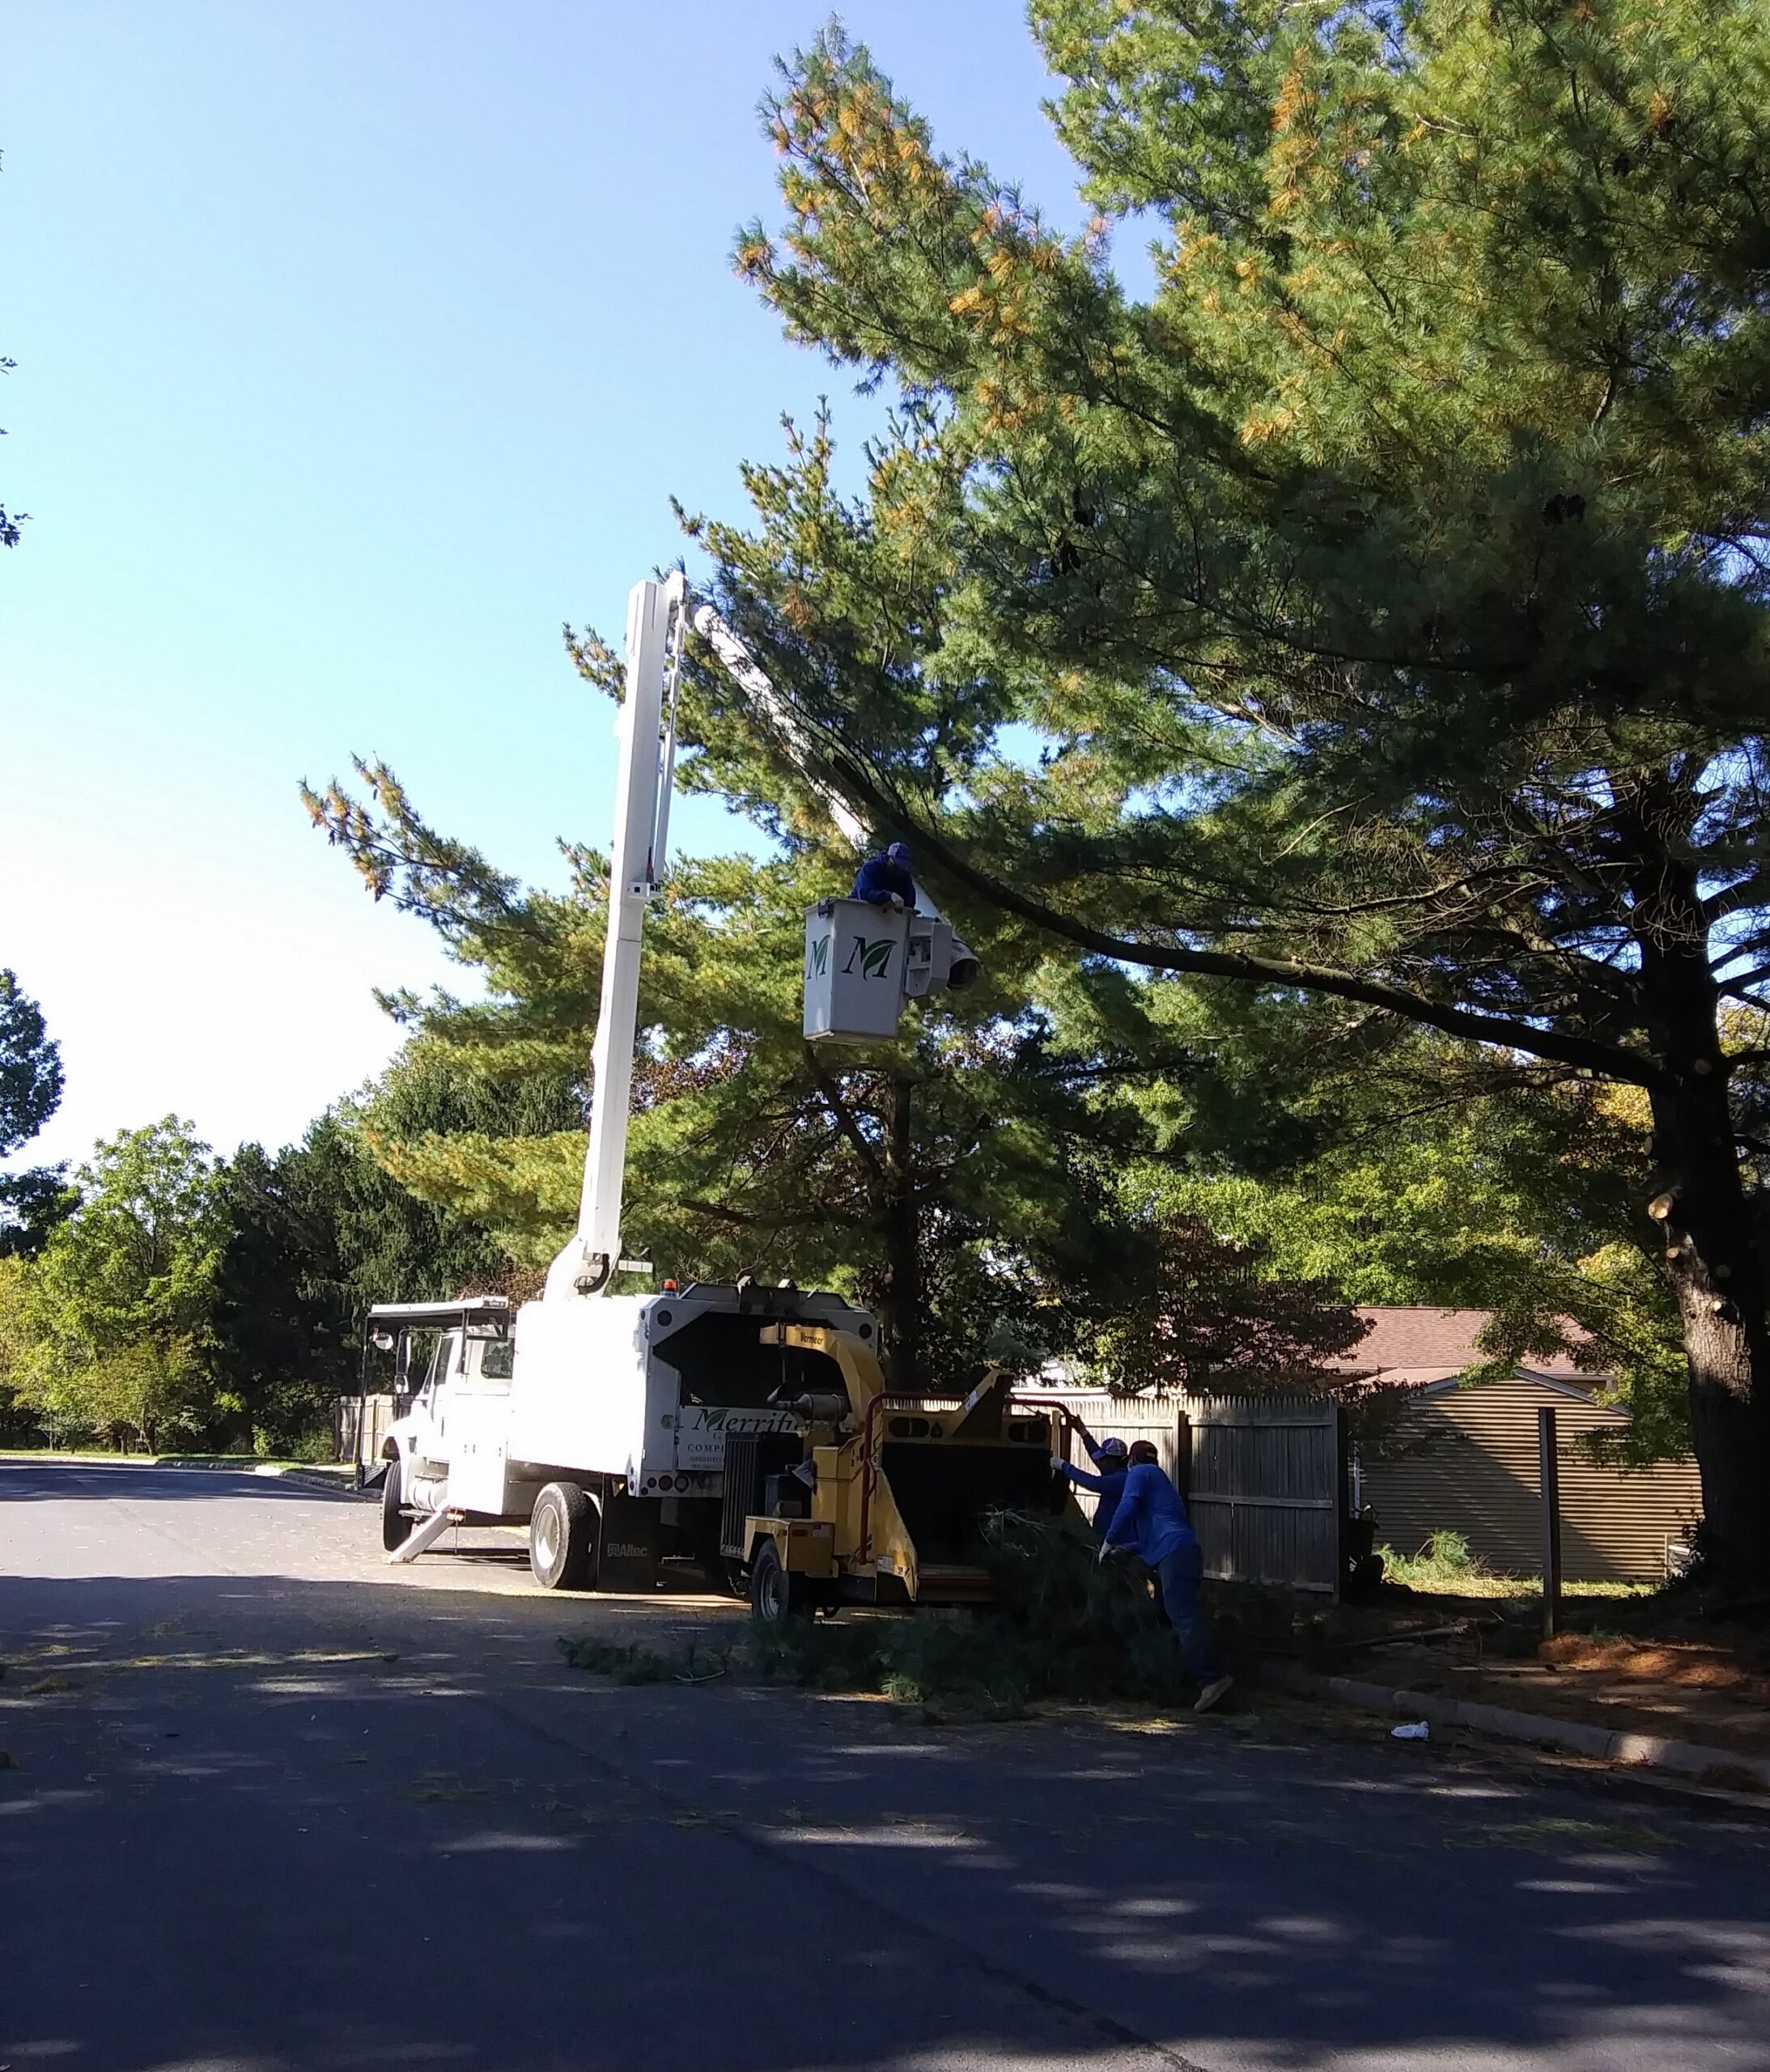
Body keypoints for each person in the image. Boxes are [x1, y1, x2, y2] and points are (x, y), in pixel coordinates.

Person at [1101, 1439, 1233, 1713]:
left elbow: (1127, 1506)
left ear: (1132, 1462)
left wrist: (1109, 1540)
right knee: (1164, 1614)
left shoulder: (1140, 1474)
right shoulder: (1161, 1484)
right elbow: (1149, 1540)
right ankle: (1177, 1675)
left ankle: (1212, 1678)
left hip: (1174, 1555)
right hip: (1179, 1552)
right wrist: (1123, 1549)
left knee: (1182, 1616)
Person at [1051, 1431, 1130, 1545]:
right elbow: (1096, 1454)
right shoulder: (1115, 1472)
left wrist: (1063, 1465)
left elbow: (1091, 1482)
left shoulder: (1119, 1480)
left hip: (1115, 1541)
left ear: (1113, 1460)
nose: (1100, 1462)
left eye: (1104, 1459)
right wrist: (1084, 1434)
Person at [851, 842, 917, 911]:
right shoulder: (870, 868)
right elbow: (864, 893)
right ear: (889, 859)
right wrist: (889, 896)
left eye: (903, 867)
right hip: (857, 910)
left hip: (886, 918)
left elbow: (910, 901)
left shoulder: (904, 876)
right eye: (896, 866)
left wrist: (895, 903)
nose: (899, 870)